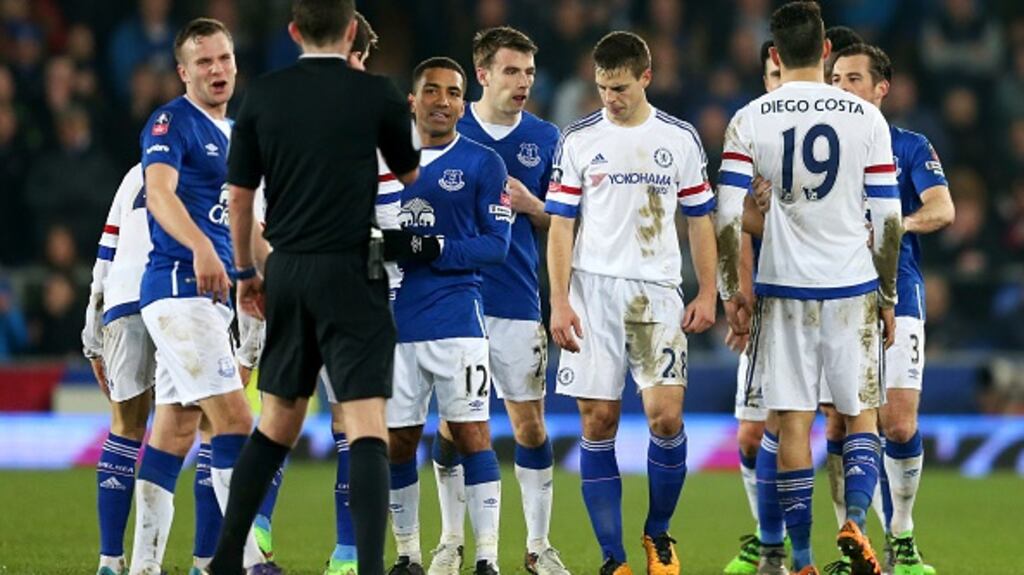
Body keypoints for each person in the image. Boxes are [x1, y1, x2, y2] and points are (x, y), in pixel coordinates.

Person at [206, 0, 420, 573]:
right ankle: (369, 566)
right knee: (365, 421)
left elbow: (242, 198)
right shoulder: (377, 94)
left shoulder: (262, 95)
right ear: (353, 31)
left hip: (289, 270)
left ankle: (226, 560)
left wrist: (249, 271)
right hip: (353, 268)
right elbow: (409, 172)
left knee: (277, 421)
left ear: (294, 31)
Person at [715, 3, 902, 574]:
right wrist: (888, 296)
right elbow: (889, 218)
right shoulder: (868, 120)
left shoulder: (750, 118)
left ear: (774, 54)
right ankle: (855, 523)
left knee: (792, 423)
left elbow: (726, 217)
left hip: (782, 289)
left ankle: (800, 558)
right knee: (861, 415)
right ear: (826, 51)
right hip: (851, 286)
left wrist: (731, 294)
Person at [546, 31, 718, 575]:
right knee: (598, 422)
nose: (609, 98)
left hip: (656, 291)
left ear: (646, 77)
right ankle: (613, 558)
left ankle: (659, 535)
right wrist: (558, 300)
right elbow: (560, 226)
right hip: (590, 291)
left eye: (619, 87)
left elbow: (700, 220)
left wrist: (709, 291)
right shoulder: (577, 139)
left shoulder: (680, 138)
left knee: (665, 418)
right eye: (601, 87)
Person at [128, 17, 275, 575]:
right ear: (183, 71)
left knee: (175, 429)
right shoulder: (171, 122)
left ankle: (143, 567)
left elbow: (249, 226)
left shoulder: (237, 134)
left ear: (236, 64)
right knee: (236, 424)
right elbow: (160, 194)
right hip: (177, 286)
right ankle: (244, 560)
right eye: (204, 62)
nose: (217, 70)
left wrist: (272, 275)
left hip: (211, 297)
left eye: (224, 59)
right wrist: (200, 248)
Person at [426, 26, 567, 575]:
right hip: (456, 300)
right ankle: (449, 543)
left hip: (518, 301)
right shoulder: (448, 132)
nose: (523, 82)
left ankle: (538, 548)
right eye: (511, 71)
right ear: (481, 75)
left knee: (529, 426)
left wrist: (536, 206)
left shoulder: (547, 138)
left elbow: (568, 221)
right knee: (456, 425)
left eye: (529, 72)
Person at [829, 43, 953, 575]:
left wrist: (892, 224)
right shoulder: (820, 152)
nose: (843, 88)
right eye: (836, 78)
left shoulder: (908, 146)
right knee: (840, 426)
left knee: (898, 424)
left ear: (882, 88)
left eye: (855, 78)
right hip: (832, 294)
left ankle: (901, 535)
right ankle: (853, 542)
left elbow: (942, 208)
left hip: (897, 293)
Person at [385, 56, 511, 575]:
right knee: (399, 440)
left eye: (454, 93)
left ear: (464, 101)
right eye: (432, 91)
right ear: (412, 100)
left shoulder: (484, 163)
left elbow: (496, 245)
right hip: (392, 322)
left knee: (472, 433)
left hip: (458, 319)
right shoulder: (381, 163)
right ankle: (409, 556)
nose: (443, 101)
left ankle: (485, 558)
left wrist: (433, 248)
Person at [721, 40, 781, 575]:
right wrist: (741, 294)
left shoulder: (842, 131)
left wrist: (772, 215)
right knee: (750, 434)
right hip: (771, 301)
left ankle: (858, 538)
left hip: (829, 298)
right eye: (772, 73)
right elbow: (736, 219)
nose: (779, 80)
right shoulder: (749, 131)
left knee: (838, 429)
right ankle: (769, 542)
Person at [82, 164, 154, 575]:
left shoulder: (133, 174)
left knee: (126, 428)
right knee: (200, 425)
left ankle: (110, 558)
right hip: (180, 296)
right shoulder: (222, 160)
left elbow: (106, 254)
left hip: (123, 299)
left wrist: (93, 335)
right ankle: (204, 559)